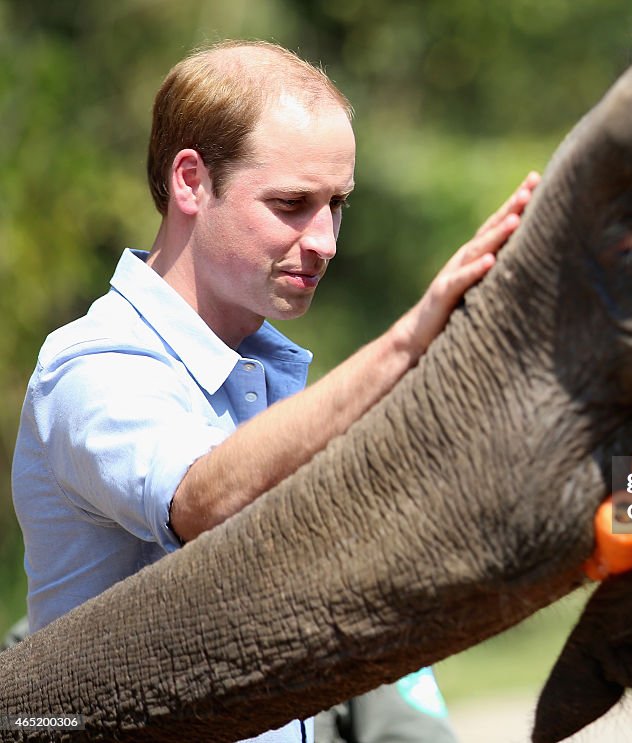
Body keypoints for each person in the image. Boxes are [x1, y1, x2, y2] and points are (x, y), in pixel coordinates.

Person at [11, 39, 539, 742]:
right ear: (191, 182)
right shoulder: (93, 364)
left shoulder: (265, 372)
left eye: (336, 205)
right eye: (292, 203)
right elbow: (202, 501)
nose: (324, 239)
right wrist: (407, 343)